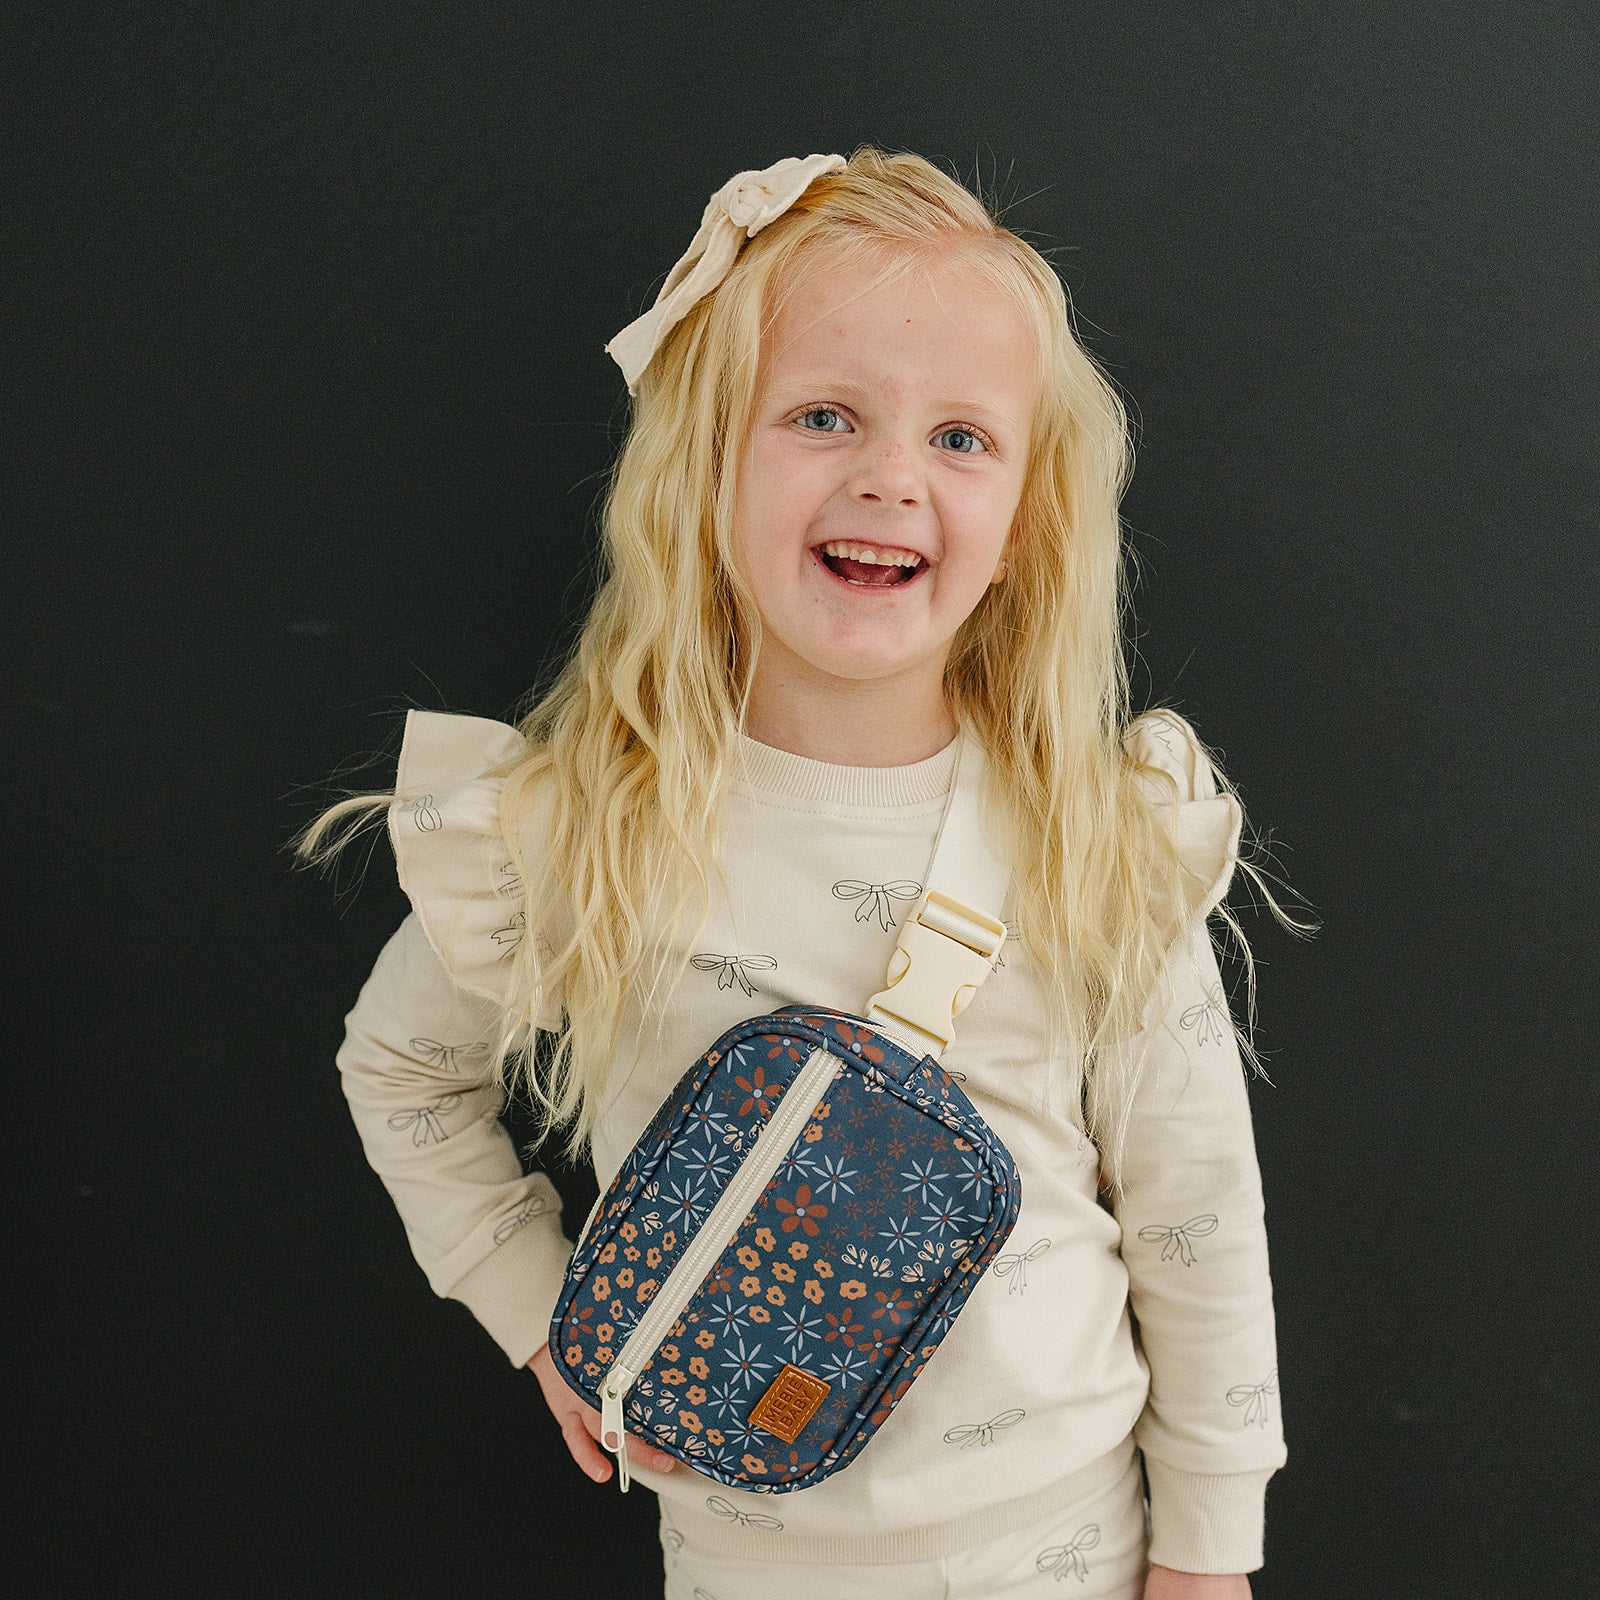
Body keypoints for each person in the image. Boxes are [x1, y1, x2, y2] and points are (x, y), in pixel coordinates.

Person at [293, 146, 1313, 1600]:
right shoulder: (587, 829)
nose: (891, 476)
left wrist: (1210, 1554)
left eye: (961, 438)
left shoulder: (1097, 837)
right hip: (746, 1567)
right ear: (706, 464)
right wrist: (550, 1319)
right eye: (824, 416)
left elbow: (1197, 1213)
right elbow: (400, 1071)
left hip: (1075, 1548)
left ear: (1026, 522)